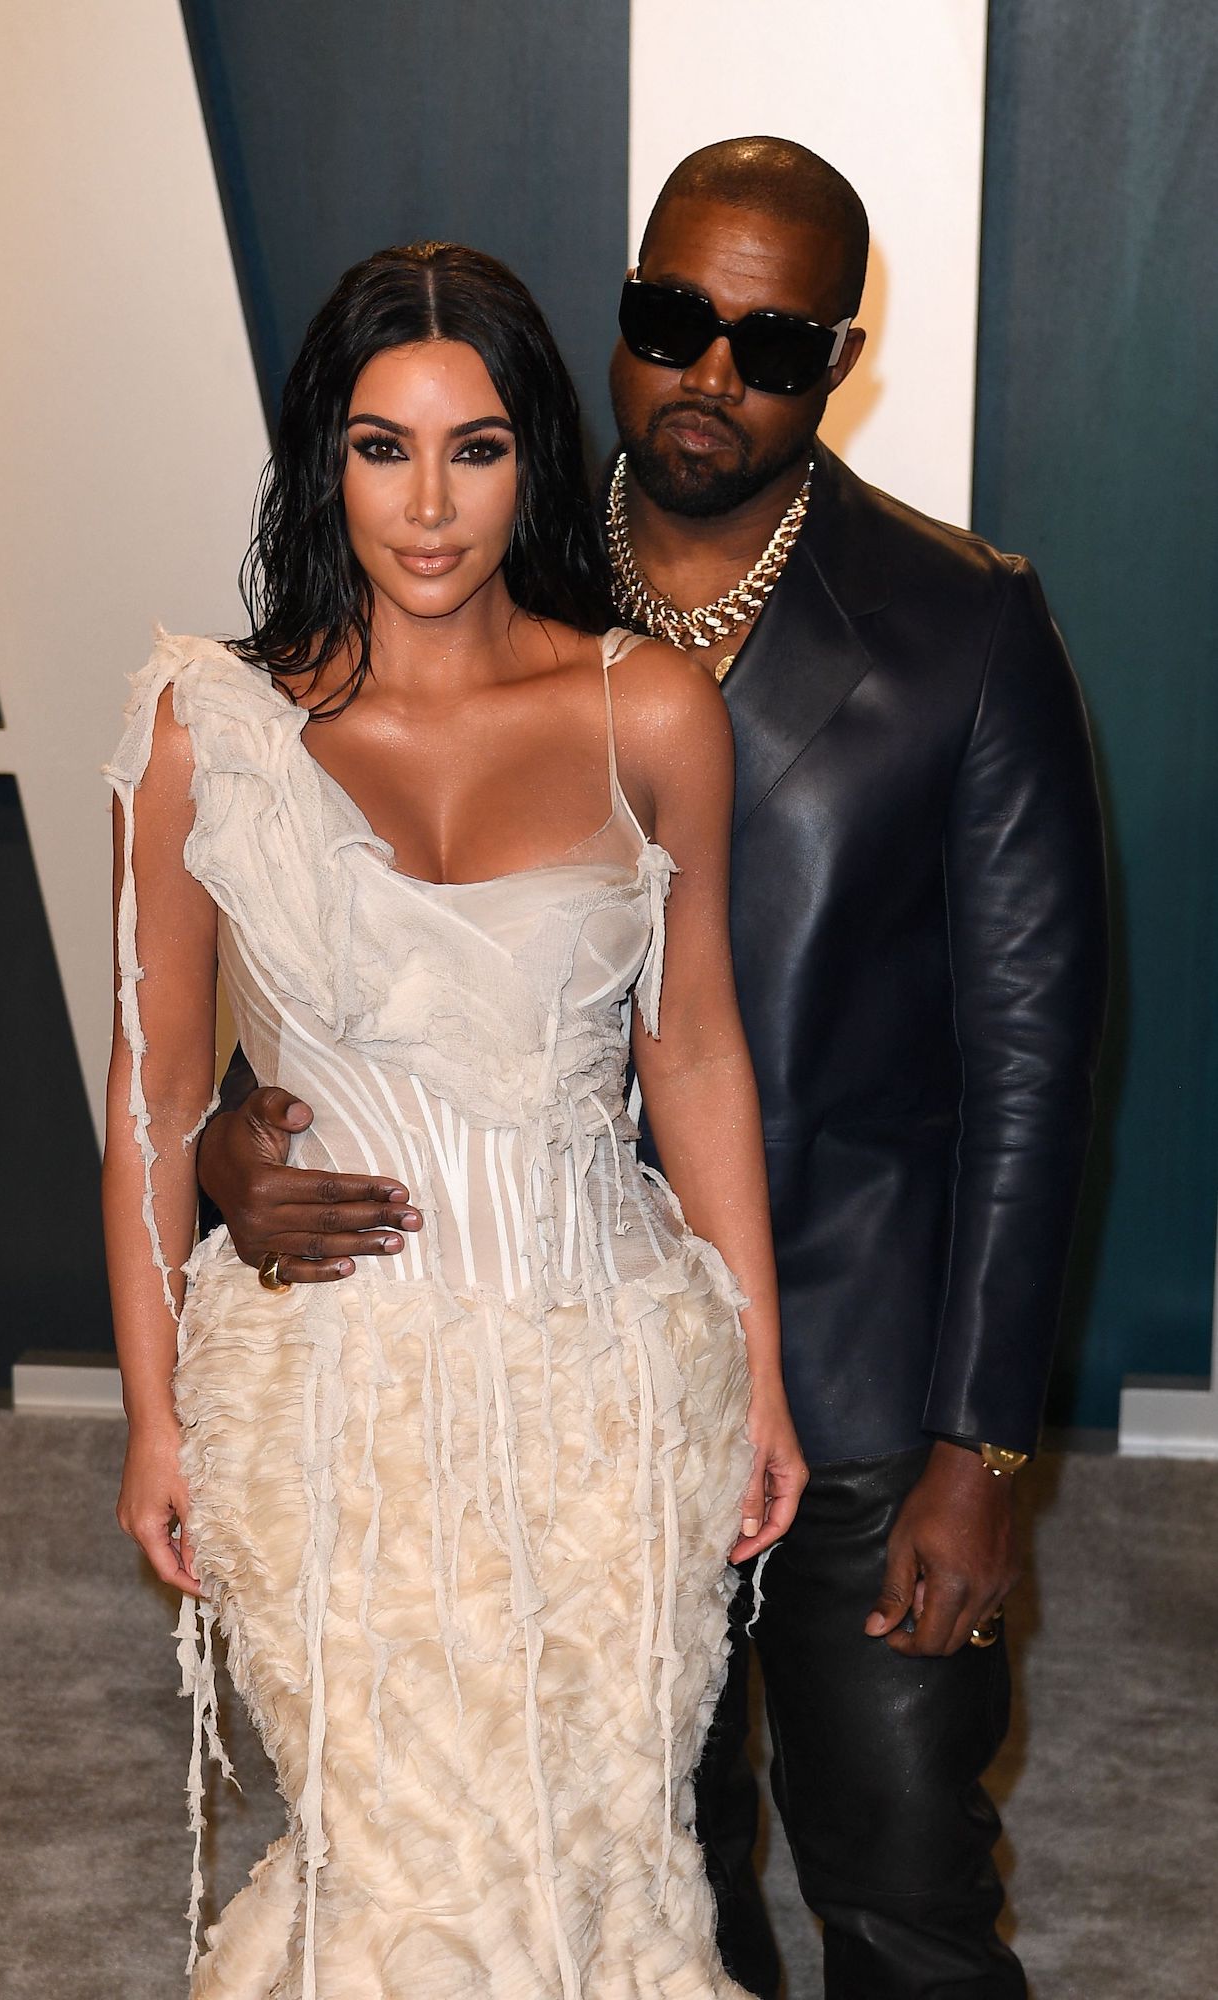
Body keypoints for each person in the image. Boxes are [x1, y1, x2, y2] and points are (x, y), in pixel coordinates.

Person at [198, 144, 1110, 1998]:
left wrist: (982, 1450)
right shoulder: (484, 551)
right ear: (616, 316)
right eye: (669, 317)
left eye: (767, 344)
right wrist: (234, 1139)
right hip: (540, 1390)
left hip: (851, 1374)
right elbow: (336, 931)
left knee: (903, 1890)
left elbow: (1033, 1062)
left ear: (835, 360)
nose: (707, 373)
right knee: (618, 1889)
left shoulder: (960, 624)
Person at [103, 239, 807, 1999]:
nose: (427, 506)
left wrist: (759, 1376)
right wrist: (151, 1415)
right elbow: (156, 1093)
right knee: (401, 1882)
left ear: (533, 458)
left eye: (473, 449)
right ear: (322, 460)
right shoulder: (207, 729)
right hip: (323, 1402)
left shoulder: (648, 708)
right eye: (381, 446)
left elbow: (694, 1055)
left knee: (595, 1881)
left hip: (609, 1393)